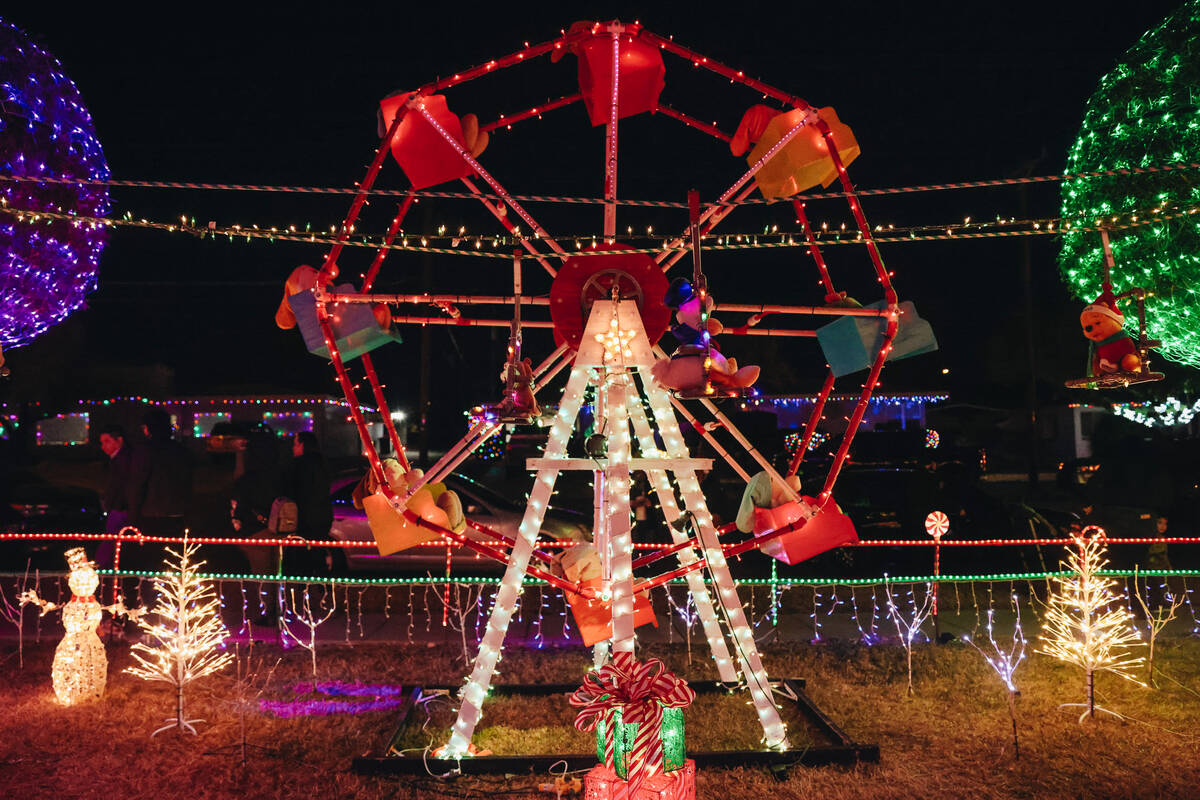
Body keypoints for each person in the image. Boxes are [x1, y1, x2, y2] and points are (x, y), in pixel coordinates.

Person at [125, 409, 194, 607]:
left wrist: (133, 515)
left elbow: (138, 483)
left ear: (148, 429)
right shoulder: (181, 451)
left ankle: (149, 605)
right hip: (177, 515)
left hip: (150, 515)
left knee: (148, 564)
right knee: (172, 562)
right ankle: (171, 605)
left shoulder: (144, 451)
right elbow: (188, 485)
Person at [230, 433, 286, 630]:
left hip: (256, 530)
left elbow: (240, 494)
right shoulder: (279, 474)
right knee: (277, 573)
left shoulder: (250, 478)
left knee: (263, 576)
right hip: (279, 529)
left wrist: (239, 454)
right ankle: (278, 612)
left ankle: (269, 613)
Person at [286, 431, 333, 574]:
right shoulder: (323, 463)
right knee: (318, 553)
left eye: (295, 444)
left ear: (303, 445)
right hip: (323, 516)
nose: (293, 448)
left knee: (303, 556)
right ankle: (322, 588)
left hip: (306, 518)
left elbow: (295, 491)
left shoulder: (300, 465)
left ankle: (303, 588)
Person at [96, 425, 135, 571]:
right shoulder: (118, 460)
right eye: (102, 442)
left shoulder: (122, 460)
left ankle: (103, 568)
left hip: (120, 508)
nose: (103, 446)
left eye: (107, 441)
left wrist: (112, 503)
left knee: (111, 540)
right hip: (119, 506)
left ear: (119, 441)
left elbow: (120, 486)